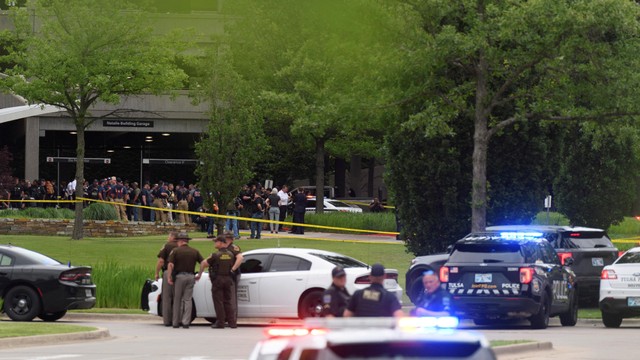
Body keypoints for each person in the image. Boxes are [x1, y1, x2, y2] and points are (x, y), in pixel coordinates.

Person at [167, 232, 205, 329]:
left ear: (180, 241)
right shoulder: (194, 251)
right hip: (191, 276)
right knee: (188, 300)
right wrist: (200, 274)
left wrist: (169, 277)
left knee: (177, 299)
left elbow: (170, 265)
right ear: (187, 241)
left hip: (179, 277)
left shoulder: (175, 251)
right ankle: (186, 322)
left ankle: (176, 322)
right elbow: (203, 262)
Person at [200, 235, 237, 329]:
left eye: (216, 242)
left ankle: (220, 322)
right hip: (228, 279)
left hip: (218, 280)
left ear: (220, 243)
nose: (215, 244)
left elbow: (204, 263)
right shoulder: (231, 254)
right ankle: (232, 322)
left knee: (218, 301)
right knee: (228, 301)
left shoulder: (215, 255)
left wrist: (200, 273)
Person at [155, 231, 178, 326]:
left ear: (172, 237)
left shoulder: (167, 246)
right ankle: (178, 319)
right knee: (178, 297)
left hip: (168, 272)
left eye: (168, 236)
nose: (167, 237)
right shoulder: (181, 246)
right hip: (180, 273)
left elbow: (161, 261)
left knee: (167, 297)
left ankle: (167, 320)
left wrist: (156, 273)